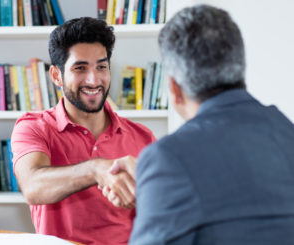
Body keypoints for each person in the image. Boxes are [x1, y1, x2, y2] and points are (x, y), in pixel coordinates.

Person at [108, 4, 294, 244]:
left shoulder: (168, 159)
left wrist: (156, 179)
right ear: (239, 71)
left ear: (174, 88)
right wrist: (151, 185)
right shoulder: (286, 131)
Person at [10, 17, 155, 244]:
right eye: (80, 68)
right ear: (57, 76)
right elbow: (31, 186)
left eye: (101, 67)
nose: (93, 80)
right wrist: (96, 169)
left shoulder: (143, 137)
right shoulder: (33, 127)